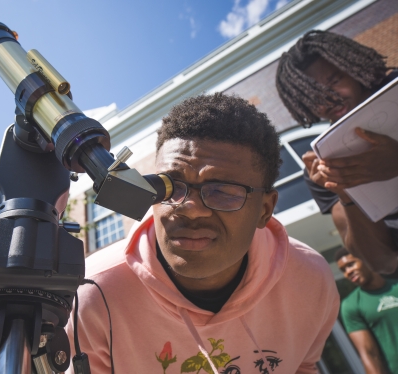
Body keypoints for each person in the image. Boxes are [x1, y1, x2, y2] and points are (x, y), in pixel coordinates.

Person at [67, 93, 339, 373]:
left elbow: (304, 366)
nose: (190, 209)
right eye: (170, 186)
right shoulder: (94, 295)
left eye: (222, 191)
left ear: (264, 210)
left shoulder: (310, 279)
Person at [275, 30, 398, 274]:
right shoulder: (323, 166)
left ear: (352, 67)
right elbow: (382, 262)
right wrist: (345, 192)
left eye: (334, 81)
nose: (330, 98)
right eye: (315, 96)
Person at [336, 247, 398, 373]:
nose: (348, 272)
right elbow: (369, 354)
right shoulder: (351, 305)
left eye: (351, 264)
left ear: (366, 260)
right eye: (343, 270)